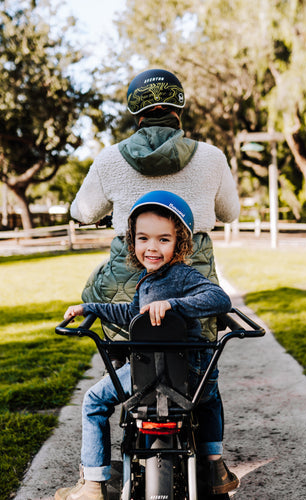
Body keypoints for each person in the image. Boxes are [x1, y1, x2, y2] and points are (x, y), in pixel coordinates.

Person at [55, 191, 239, 500]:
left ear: (179, 244)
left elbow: (220, 299)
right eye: (143, 238)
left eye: (163, 240)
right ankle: (215, 467)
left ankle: (93, 484)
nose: (151, 247)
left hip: (156, 375)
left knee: (93, 402)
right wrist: (92, 308)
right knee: (210, 394)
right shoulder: (146, 280)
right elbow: (131, 314)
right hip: (188, 378)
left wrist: (173, 304)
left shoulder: (182, 275)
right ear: (133, 240)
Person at [70, 68, 240, 343]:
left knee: (112, 317)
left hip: (129, 281)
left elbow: (83, 212)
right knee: (197, 353)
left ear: (136, 113)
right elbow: (230, 213)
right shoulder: (212, 157)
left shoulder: (109, 159)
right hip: (193, 278)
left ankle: (122, 371)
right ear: (179, 109)